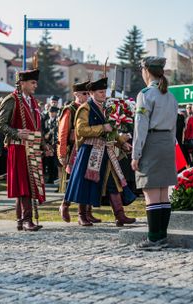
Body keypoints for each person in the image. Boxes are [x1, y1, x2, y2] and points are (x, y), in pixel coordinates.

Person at [64, 77, 136, 227]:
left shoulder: (105, 108)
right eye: (100, 92)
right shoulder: (85, 108)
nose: (104, 94)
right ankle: (81, 215)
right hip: (89, 151)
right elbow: (80, 130)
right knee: (86, 183)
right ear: (91, 93)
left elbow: (112, 130)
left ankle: (120, 215)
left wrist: (122, 143)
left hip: (105, 150)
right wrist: (102, 128)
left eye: (104, 91)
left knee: (113, 182)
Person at [131, 57, 178, 250]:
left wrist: (136, 153)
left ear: (146, 71)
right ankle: (162, 237)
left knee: (150, 192)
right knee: (163, 193)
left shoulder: (145, 94)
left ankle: (153, 238)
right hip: (167, 143)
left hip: (151, 142)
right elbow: (175, 126)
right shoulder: (170, 96)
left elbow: (140, 126)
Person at [0, 68, 46, 231]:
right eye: (32, 82)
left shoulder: (33, 101)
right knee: (23, 184)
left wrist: (45, 144)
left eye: (36, 82)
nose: (35, 86)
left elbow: (37, 126)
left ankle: (21, 220)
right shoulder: (11, 99)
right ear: (22, 83)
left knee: (29, 183)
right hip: (18, 148)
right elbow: (1, 124)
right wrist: (16, 133)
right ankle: (26, 220)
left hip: (32, 147)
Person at [57, 80, 101, 223]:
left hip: (89, 148)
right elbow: (63, 133)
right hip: (74, 150)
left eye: (89, 93)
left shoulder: (90, 107)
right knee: (76, 180)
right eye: (84, 93)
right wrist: (62, 153)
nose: (87, 96)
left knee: (88, 179)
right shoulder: (70, 109)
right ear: (76, 94)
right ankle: (66, 205)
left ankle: (87, 212)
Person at [42, 106, 59, 184]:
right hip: (47, 144)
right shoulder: (46, 121)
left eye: (53, 112)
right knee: (48, 162)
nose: (51, 114)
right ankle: (49, 178)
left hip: (54, 145)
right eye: (50, 112)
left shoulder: (57, 121)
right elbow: (43, 132)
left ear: (56, 113)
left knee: (54, 162)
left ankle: (54, 178)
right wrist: (46, 143)